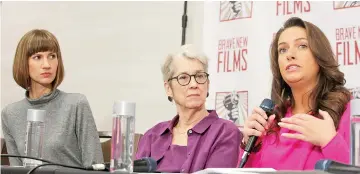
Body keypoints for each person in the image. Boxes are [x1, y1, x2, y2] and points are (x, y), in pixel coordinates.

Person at [239, 17, 351, 170]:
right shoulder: (271, 122)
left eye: (302, 46)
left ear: (320, 56)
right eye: (282, 49)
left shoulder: (348, 110)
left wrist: (330, 141)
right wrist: (249, 145)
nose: (289, 55)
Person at [1, 29, 104, 167]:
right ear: (23, 63)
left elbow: (95, 165)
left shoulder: (76, 104)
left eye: (52, 56)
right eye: (37, 57)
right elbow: (16, 170)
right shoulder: (10, 113)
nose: (47, 65)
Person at [136, 44, 241, 173]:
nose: (194, 84)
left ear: (207, 84)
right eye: (183, 78)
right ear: (168, 88)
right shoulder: (152, 136)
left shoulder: (225, 132)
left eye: (200, 76)